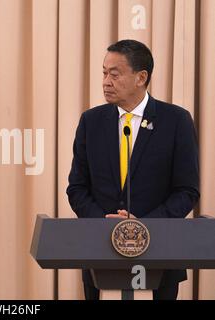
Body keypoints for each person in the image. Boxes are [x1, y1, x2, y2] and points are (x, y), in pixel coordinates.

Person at [66, 39, 199, 300]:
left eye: (114, 75)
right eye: (104, 73)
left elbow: (187, 190)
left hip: (161, 254)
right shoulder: (91, 121)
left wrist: (143, 227)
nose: (106, 81)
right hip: (99, 254)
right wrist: (104, 224)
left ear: (141, 77)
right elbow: (77, 187)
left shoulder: (176, 121)